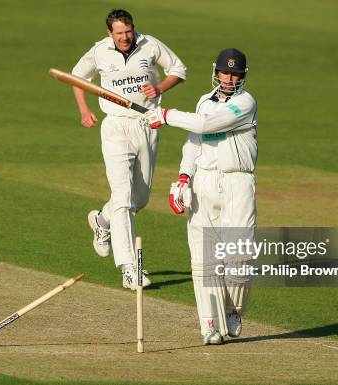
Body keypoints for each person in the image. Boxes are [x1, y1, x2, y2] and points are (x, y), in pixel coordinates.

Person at [145, 48, 257, 344]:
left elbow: (208, 125)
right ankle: (209, 326)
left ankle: (233, 311)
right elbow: (195, 142)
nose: (229, 78)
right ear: (216, 72)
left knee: (239, 258)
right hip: (204, 183)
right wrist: (184, 176)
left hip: (237, 182)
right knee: (203, 259)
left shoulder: (246, 103)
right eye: (225, 72)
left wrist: (166, 115)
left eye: (235, 73)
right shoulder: (204, 102)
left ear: (243, 76)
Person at [71, 9, 186, 289]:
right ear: (110, 33)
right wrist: (84, 110)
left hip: (147, 124)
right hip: (116, 127)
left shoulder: (150, 44)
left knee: (140, 198)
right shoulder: (99, 51)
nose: (125, 37)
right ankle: (129, 268)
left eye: (128, 31)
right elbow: (76, 78)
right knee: (123, 198)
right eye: (119, 33)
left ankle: (102, 220)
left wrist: (160, 88)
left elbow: (179, 70)